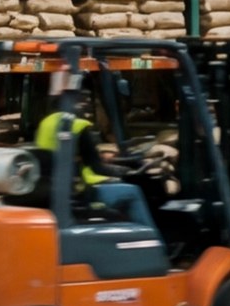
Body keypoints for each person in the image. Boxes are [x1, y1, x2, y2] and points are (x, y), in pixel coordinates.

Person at [32, 92, 154, 232]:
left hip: (53, 191)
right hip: (77, 192)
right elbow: (96, 167)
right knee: (133, 192)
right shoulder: (76, 125)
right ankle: (151, 239)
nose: (86, 107)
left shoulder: (45, 123)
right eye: (82, 102)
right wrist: (127, 172)